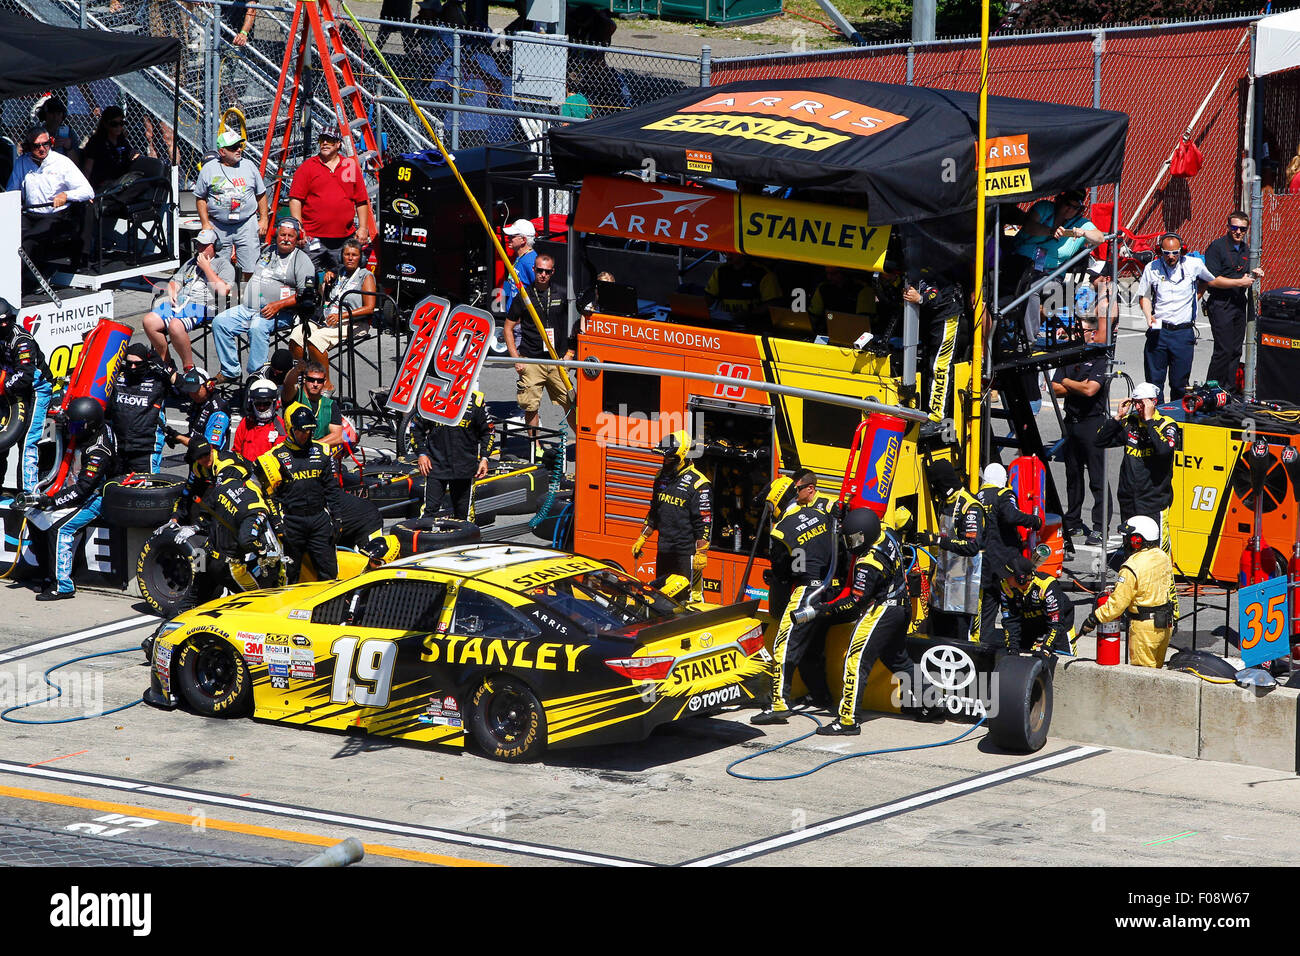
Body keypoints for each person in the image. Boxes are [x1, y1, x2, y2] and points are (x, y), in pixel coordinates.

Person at [811, 507, 935, 735]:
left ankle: (848, 720)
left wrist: (826, 610)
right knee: (898, 660)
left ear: (865, 534)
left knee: (856, 660)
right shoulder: (887, 531)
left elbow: (856, 601)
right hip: (902, 606)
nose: (852, 542)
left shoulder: (869, 563)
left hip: (884, 610)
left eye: (855, 537)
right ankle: (933, 703)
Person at [750, 471, 833, 724]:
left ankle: (779, 704)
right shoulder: (821, 513)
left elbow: (781, 572)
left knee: (783, 645)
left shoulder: (780, 530)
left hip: (806, 591)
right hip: (829, 590)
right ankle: (821, 696)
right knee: (813, 647)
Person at [1138, 233, 1259, 402]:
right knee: (1154, 382)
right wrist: (1147, 315)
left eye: (1175, 253)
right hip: (1160, 330)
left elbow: (1209, 280)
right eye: (1166, 253)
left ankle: (1177, 416)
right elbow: (1143, 296)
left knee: (1180, 382)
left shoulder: (1194, 265)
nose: (1171, 257)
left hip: (1183, 331)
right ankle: (1154, 417)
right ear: (1160, 251)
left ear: (1182, 250)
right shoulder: (1152, 268)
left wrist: (1196, 297)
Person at [25, 397, 115, 600]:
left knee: (59, 528)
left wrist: (53, 501)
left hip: (94, 499)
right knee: (33, 516)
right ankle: (48, 574)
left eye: (75, 426)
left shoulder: (99, 451)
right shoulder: (86, 427)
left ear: (88, 426)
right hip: (71, 489)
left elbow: (84, 489)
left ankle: (64, 585)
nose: (71, 429)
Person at [211, 218, 314, 385]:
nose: (286, 239)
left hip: (280, 313)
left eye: (290, 236)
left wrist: (277, 305)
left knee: (257, 326)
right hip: (249, 308)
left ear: (297, 238)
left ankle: (257, 376)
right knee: (220, 322)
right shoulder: (267, 251)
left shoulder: (302, 260)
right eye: (282, 235)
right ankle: (230, 371)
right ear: (276, 235)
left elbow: (307, 295)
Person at [257, 403, 343, 582]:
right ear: (291, 430)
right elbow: (268, 495)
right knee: (289, 574)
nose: (305, 435)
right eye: (301, 431)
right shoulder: (274, 456)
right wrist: (277, 523)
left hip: (319, 519)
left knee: (329, 572)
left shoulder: (323, 451)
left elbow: (332, 489)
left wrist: (338, 517)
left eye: (309, 431)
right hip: (291, 522)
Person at [1078, 516, 1175, 668]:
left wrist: (1094, 618)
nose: (1127, 542)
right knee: (1157, 673)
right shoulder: (1163, 557)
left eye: (1129, 538)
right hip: (1165, 625)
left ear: (1137, 540)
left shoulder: (1131, 566)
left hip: (1144, 630)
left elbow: (1117, 605)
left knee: (1144, 679)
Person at [1007, 189, 1104, 339]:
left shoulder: (1081, 224)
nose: (1070, 210)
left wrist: (1084, 233)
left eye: (1075, 207)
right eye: (1067, 204)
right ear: (1059, 200)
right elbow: (1029, 226)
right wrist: (1050, 231)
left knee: (1031, 288)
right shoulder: (1044, 208)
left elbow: (1100, 238)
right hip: (1020, 266)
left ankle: (1027, 339)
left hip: (1051, 277)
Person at [1050, 317, 1110, 545]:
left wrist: (1067, 382)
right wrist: (1076, 384)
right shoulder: (1070, 356)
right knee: (1073, 476)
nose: (1077, 333)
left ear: (1092, 333)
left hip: (1092, 424)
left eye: (1081, 330)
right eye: (1075, 329)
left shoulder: (1100, 359)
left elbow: (1090, 390)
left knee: (1097, 477)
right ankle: (1073, 521)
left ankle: (1099, 526)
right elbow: (1054, 389)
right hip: (1071, 422)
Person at [141, 228, 235, 370]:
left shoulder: (223, 265)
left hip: (203, 305)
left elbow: (223, 290)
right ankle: (166, 363)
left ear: (215, 246)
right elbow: (175, 281)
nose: (199, 248)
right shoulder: (190, 262)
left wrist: (207, 268)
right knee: (149, 321)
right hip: (180, 303)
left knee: (175, 325)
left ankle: (188, 366)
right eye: (198, 245)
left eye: (204, 245)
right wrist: (172, 291)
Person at [633, 430, 711, 598]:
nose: (665, 461)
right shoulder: (660, 477)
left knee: (689, 598)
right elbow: (654, 511)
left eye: (669, 458)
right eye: (664, 458)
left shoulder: (699, 483)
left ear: (682, 456)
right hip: (664, 550)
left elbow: (703, 522)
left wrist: (701, 553)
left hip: (686, 554)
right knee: (661, 598)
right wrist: (642, 538)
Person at [7, 124, 94, 276]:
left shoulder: (62, 162)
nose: (42, 149)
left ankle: (22, 282)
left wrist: (66, 195)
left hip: (54, 215)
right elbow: (11, 191)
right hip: (29, 214)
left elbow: (88, 191)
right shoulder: (21, 162)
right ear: (28, 146)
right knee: (8, 234)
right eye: (36, 146)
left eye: (46, 144)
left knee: (28, 240)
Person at [288, 123, 374, 273]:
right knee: (306, 276)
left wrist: (362, 228)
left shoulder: (349, 165)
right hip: (313, 237)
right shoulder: (308, 167)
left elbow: (361, 200)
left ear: (338, 144)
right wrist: (299, 227)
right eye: (322, 140)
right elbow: (295, 199)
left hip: (343, 237)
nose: (325, 143)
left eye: (329, 140)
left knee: (343, 276)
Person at [917, 458, 987, 640]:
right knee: (935, 637)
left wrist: (937, 540)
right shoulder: (946, 502)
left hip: (963, 590)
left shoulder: (969, 507)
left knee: (958, 642)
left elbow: (972, 546)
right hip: (942, 583)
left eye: (935, 484)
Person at [288, 237, 375, 381]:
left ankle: (325, 383)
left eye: (354, 255)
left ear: (360, 258)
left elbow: (370, 308)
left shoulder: (366, 276)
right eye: (347, 254)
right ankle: (303, 375)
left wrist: (344, 315)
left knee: (315, 340)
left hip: (354, 323)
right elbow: (326, 295)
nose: (350, 258)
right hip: (327, 320)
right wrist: (328, 278)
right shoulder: (339, 272)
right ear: (342, 256)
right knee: (298, 334)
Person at [976, 462, 1042, 643]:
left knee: (989, 605)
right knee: (1015, 604)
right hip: (1006, 562)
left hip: (985, 562)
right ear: (1002, 479)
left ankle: (985, 644)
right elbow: (1011, 515)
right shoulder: (1003, 494)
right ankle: (1019, 642)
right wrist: (1033, 520)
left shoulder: (977, 497)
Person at [506, 252, 571, 435]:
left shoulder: (562, 293)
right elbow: (508, 328)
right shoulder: (524, 296)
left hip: (556, 360)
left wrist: (570, 353)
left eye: (547, 272)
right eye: (540, 270)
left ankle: (581, 448)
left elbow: (574, 325)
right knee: (530, 405)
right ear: (533, 270)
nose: (543, 275)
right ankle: (536, 447)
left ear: (553, 272)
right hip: (531, 360)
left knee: (571, 402)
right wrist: (515, 358)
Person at [194, 129, 268, 279]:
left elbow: (261, 194)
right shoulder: (209, 169)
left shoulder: (249, 166)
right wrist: (205, 223)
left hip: (246, 223)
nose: (239, 150)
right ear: (222, 151)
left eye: (239, 146)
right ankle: (222, 299)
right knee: (218, 266)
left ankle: (249, 298)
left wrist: (264, 219)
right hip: (219, 225)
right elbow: (200, 197)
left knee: (251, 266)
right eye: (234, 148)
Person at [1204, 211, 1264, 391]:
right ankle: (1211, 389)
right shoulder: (1217, 247)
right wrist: (1240, 282)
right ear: (1228, 227)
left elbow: (1242, 274)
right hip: (1221, 303)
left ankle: (1228, 390)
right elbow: (1212, 280)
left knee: (1236, 350)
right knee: (1223, 349)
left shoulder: (1246, 249)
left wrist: (1254, 274)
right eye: (1234, 227)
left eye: (1242, 229)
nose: (1238, 232)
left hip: (1239, 302)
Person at [411, 389, 493, 520]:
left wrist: (484, 458)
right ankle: (424, 539)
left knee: (463, 515)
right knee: (430, 511)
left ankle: (464, 540)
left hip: (464, 468)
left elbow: (488, 431)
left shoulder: (476, 401)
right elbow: (415, 428)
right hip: (435, 466)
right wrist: (421, 454)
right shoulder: (431, 396)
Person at [0, 299, 52, 496]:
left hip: (36, 389)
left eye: (8, 320)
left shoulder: (22, 341)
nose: (5, 325)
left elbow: (25, 376)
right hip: (12, 389)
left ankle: (29, 493)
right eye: (0, 322)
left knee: (29, 440)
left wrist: (3, 386)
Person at [108, 343, 177, 474]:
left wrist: (162, 365)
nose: (132, 367)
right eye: (129, 363)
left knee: (146, 493)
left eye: (137, 364)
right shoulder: (116, 376)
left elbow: (183, 387)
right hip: (118, 447)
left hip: (146, 450)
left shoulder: (159, 380)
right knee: (114, 490)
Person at [999, 555, 1074, 654]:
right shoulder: (1005, 585)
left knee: (1063, 657)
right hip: (1029, 623)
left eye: (1008, 576)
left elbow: (1056, 623)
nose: (1005, 578)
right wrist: (1012, 647)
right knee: (1016, 653)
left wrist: (1047, 648)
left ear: (1021, 578)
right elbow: (1010, 620)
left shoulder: (1046, 585)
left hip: (1059, 623)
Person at [169, 439, 250, 526]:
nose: (204, 459)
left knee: (218, 505)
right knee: (196, 498)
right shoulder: (197, 467)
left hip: (249, 491)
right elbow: (188, 492)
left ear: (211, 449)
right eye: (199, 457)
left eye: (206, 454)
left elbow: (219, 499)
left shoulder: (225, 465)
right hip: (227, 488)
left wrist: (199, 525)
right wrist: (175, 517)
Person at [172, 366, 231, 451]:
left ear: (208, 386)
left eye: (195, 390)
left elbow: (208, 448)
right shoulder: (199, 403)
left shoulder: (218, 412)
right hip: (198, 460)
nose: (192, 394)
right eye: (190, 391)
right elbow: (196, 436)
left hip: (212, 461)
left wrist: (180, 438)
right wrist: (175, 436)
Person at [704, 252, 782, 316]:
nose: (728, 255)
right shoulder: (720, 271)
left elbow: (772, 304)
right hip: (725, 322)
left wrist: (750, 314)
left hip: (755, 325)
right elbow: (709, 297)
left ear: (744, 253)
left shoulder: (763, 274)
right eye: (725, 252)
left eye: (732, 252)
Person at [81, 106, 139, 190]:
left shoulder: (121, 140)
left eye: (121, 123)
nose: (118, 127)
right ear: (105, 124)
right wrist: (85, 190)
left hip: (120, 182)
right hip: (102, 185)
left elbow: (129, 156)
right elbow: (87, 169)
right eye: (114, 124)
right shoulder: (96, 142)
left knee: (142, 180)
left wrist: (133, 154)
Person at [287, 360, 344, 447]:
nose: (315, 384)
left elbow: (337, 437)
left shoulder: (330, 405)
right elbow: (288, 385)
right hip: (294, 447)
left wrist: (313, 447)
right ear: (304, 379)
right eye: (311, 380)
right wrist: (296, 370)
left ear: (324, 382)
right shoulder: (295, 396)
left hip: (318, 451)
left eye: (319, 381)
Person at [232, 378, 286, 463]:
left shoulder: (280, 428)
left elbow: (281, 459)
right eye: (258, 403)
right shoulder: (245, 423)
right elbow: (236, 452)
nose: (262, 407)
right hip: (244, 471)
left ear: (274, 403)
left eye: (266, 404)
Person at [500, 218, 537, 312]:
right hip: (513, 315)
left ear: (523, 240)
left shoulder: (530, 262)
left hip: (520, 320)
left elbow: (537, 293)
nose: (508, 238)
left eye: (512, 236)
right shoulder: (521, 257)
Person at [809, 267, 875, 318]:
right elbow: (813, 314)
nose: (829, 277)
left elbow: (863, 322)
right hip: (825, 330)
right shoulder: (823, 288)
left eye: (833, 274)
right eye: (827, 273)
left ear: (845, 273)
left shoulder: (863, 290)